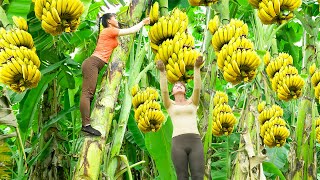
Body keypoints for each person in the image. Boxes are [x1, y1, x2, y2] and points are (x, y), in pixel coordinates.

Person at [80, 13, 150, 136]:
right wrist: (143, 22)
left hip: (95, 64)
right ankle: (86, 125)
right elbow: (131, 30)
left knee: (89, 95)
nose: (117, 19)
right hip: (93, 63)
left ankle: (86, 124)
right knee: (87, 94)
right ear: (109, 21)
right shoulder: (109, 30)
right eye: (115, 18)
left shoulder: (109, 31)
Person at [156, 56, 205, 180]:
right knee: (182, 177)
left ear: (184, 90)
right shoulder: (169, 105)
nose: (178, 85)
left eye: (181, 85)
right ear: (172, 92)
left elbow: (197, 88)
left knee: (198, 176)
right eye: (175, 85)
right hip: (178, 143)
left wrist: (196, 68)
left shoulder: (193, 103)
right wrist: (162, 72)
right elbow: (164, 92)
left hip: (195, 141)